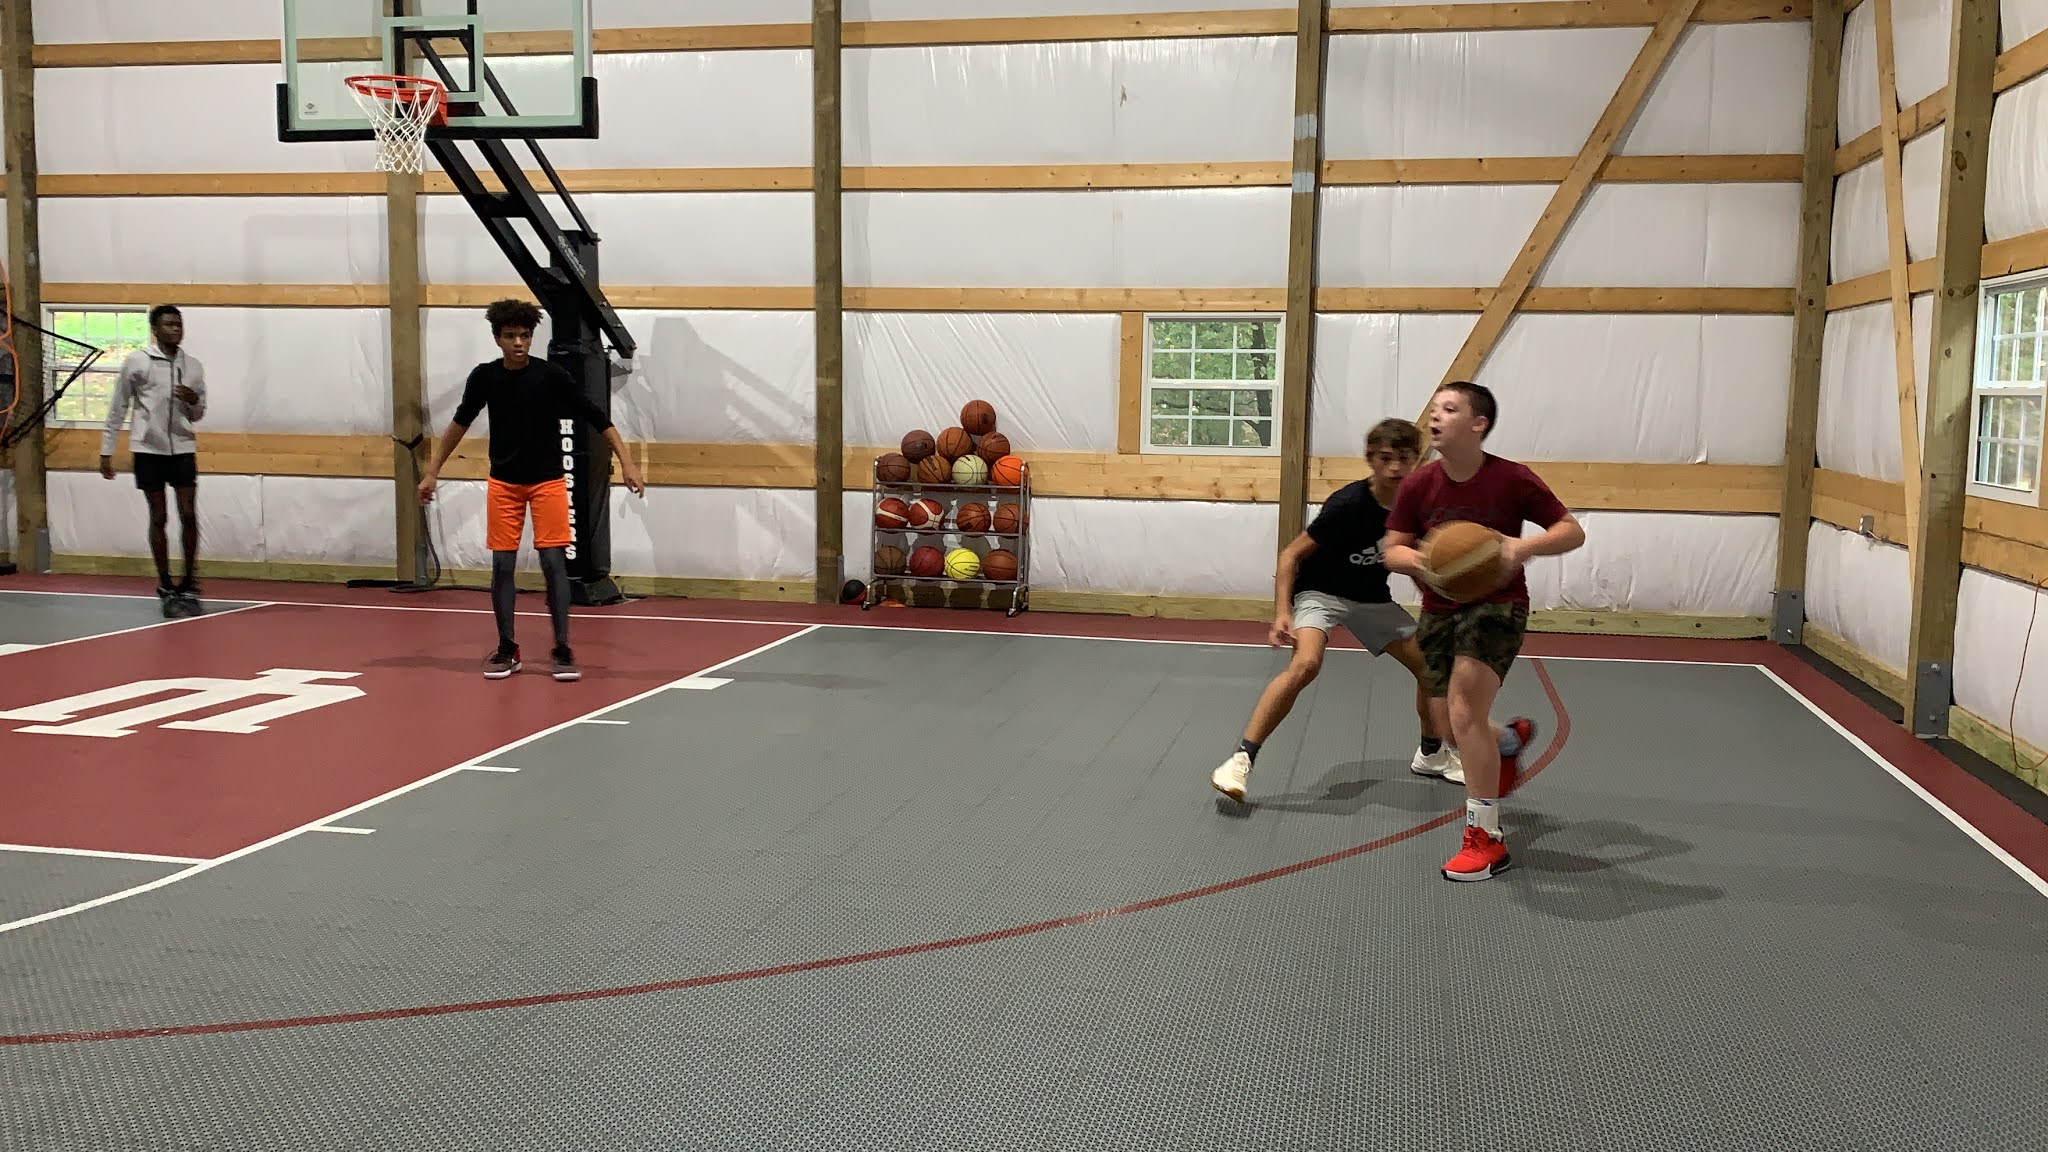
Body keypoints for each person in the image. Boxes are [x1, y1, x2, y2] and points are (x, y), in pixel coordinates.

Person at [1382, 380, 1585, 883]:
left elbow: (1571, 530)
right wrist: (1424, 560)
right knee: (1450, 727)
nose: (1435, 416)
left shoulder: (1511, 479)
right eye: (1434, 409)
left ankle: (1486, 838)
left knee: (1462, 707)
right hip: (1438, 610)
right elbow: (1392, 548)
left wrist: (1521, 548)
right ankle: (1507, 741)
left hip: (1497, 607)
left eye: (1449, 409)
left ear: (1478, 424)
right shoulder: (1419, 484)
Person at [1211, 417, 1461, 803]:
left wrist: (1439, 608)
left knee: (1431, 668)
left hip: (1371, 599)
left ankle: (1431, 754)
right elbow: (1291, 555)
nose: (1395, 467)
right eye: (1385, 458)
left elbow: (1414, 563)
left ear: (1417, 459)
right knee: (1306, 665)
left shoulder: (1416, 508)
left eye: (1404, 458)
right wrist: (1282, 612)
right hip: (1321, 593)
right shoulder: (1349, 504)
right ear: (1370, 459)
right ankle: (1241, 759)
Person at [416, 298, 646, 682]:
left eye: (524, 335)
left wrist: (628, 463)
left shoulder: (551, 376)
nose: (518, 342)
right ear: (497, 339)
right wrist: (432, 472)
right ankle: (507, 647)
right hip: (504, 484)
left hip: (548, 483)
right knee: (502, 565)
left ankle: (562, 647)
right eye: (510, 336)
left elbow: (598, 418)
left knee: (554, 562)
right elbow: (459, 423)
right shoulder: (485, 377)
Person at [99, 304, 207, 618]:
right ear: (155, 329)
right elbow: (118, 406)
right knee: (159, 516)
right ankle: (165, 583)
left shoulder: (193, 366)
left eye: (179, 324)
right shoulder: (137, 362)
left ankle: (189, 581)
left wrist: (193, 400)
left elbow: (199, 413)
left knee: (188, 514)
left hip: (182, 448)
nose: (176, 330)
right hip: (148, 450)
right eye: (169, 324)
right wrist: (106, 450)